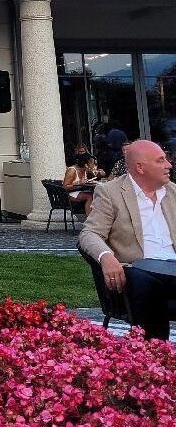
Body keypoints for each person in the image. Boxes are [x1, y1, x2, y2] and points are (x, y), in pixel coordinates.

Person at [79, 140, 176, 341]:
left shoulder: (173, 192)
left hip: (172, 268)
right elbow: (89, 234)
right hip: (136, 268)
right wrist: (106, 257)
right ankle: (154, 351)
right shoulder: (110, 192)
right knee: (144, 283)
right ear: (140, 167)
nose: (169, 165)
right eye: (161, 160)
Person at [63, 150, 97, 215]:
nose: (94, 165)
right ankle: (89, 219)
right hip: (70, 193)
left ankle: (96, 216)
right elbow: (65, 186)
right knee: (90, 197)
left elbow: (95, 176)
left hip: (80, 191)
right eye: (92, 163)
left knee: (97, 194)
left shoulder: (85, 170)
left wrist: (93, 172)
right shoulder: (72, 170)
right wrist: (78, 183)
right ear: (86, 164)